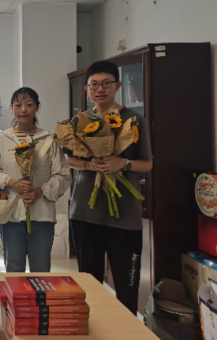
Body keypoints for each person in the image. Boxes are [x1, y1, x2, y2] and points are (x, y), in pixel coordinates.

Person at [64, 60, 153, 314]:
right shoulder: (80, 121)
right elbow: (69, 159)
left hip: (124, 217)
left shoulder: (134, 120)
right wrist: (90, 165)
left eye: (106, 84)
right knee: (89, 285)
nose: (100, 89)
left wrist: (122, 163)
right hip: (85, 213)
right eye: (94, 85)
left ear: (118, 85)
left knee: (127, 287)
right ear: (87, 89)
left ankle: (125, 329)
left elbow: (147, 164)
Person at [0, 87, 71, 273]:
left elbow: (63, 175)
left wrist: (40, 192)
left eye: (29, 104)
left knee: (40, 268)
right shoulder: (2, 139)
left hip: (42, 214)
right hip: (11, 214)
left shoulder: (48, 139)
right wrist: (13, 183)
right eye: (18, 105)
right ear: (12, 108)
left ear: (37, 107)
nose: (23, 109)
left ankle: (39, 294)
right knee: (14, 267)